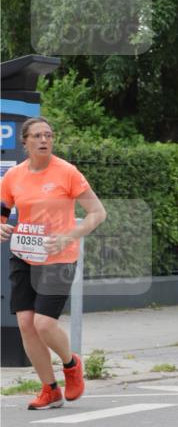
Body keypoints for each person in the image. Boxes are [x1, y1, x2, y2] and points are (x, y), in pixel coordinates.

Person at [0, 117, 106, 411]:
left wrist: (69, 236)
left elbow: (98, 213)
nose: (44, 140)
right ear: (25, 143)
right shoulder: (13, 176)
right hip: (24, 254)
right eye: (37, 136)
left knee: (44, 324)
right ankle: (49, 389)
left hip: (59, 255)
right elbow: (3, 209)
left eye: (48, 135)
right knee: (26, 324)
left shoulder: (67, 172)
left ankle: (72, 365)